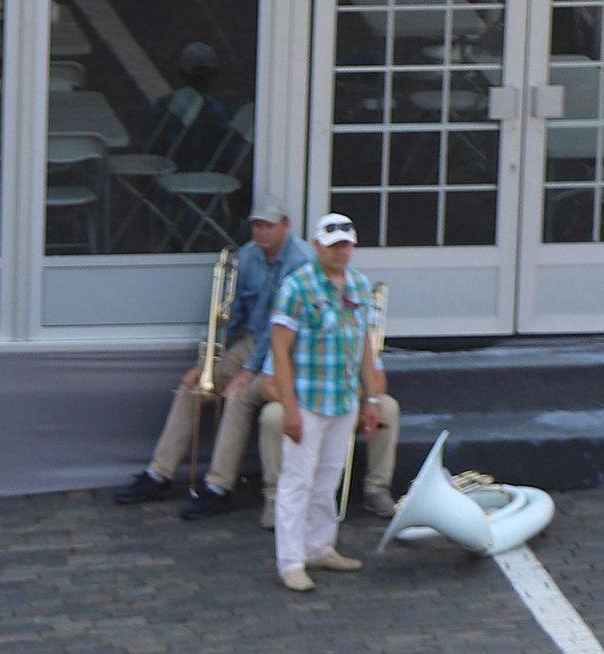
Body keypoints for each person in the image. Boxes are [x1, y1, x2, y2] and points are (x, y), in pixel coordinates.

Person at [114, 206, 397, 527]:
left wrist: (250, 371)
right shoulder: (248, 257)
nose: (262, 231)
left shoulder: (307, 268)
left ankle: (219, 485)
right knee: (195, 385)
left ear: (286, 226)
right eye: (256, 225)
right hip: (261, 342)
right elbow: (236, 317)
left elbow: (288, 341)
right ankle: (159, 473)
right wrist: (208, 361)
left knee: (241, 396)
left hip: (283, 348)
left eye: (269, 225)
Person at [267, 213, 386, 597]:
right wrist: (289, 407)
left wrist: (370, 398)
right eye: (334, 246)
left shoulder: (359, 284)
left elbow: (364, 347)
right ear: (317, 245)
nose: (341, 252)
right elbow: (280, 351)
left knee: (328, 478)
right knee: (296, 482)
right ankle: (291, 562)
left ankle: (319, 548)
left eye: (346, 245)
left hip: (342, 399)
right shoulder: (296, 286)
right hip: (309, 399)